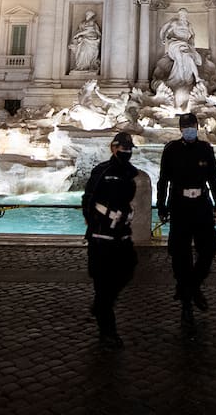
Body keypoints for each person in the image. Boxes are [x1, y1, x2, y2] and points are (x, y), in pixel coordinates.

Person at [156, 111, 216, 326]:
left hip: (201, 204)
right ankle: (187, 302)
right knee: (180, 253)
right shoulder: (171, 150)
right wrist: (161, 205)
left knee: (210, 246)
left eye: (192, 127)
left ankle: (192, 285)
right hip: (180, 205)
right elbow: (163, 180)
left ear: (197, 127)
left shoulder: (205, 149)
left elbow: (214, 179)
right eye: (186, 128)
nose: (189, 131)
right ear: (180, 130)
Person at [82, 132, 139, 348]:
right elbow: (88, 198)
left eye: (129, 148)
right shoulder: (101, 170)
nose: (127, 152)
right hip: (101, 236)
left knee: (129, 269)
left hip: (122, 235)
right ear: (113, 148)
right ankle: (108, 332)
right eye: (123, 148)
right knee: (102, 282)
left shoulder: (130, 172)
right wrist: (92, 222)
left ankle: (101, 305)